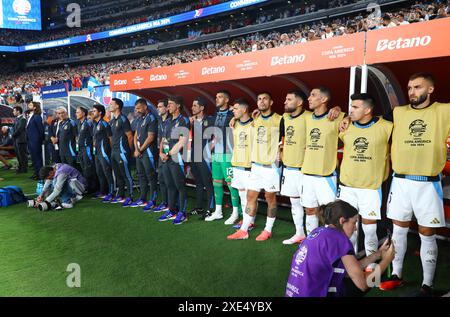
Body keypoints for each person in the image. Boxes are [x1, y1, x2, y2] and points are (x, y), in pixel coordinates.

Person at [379, 73, 450, 295]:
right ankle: (397, 275)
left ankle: (427, 284)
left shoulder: (444, 110)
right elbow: (372, 123)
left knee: (426, 233)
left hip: (428, 184)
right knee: (398, 232)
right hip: (400, 183)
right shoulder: (398, 113)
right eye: (409, 87)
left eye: (417, 87)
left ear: (430, 89)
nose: (411, 91)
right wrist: (344, 117)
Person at [285, 200, 395, 297]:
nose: (356, 227)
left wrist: (377, 254)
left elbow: (350, 269)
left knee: (349, 277)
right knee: (367, 281)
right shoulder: (339, 239)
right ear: (342, 221)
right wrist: (386, 260)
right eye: (354, 222)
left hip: (293, 293)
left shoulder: (317, 231)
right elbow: (363, 285)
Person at [338, 93, 393, 256]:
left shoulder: (387, 127)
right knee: (347, 227)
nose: (351, 110)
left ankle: (370, 265)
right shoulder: (345, 127)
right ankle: (347, 263)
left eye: (355, 107)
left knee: (369, 229)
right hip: (347, 186)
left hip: (370, 187)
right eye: (351, 106)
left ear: (368, 110)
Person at [228, 92, 282, 241]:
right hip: (255, 166)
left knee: (270, 198)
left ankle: (268, 229)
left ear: (271, 102)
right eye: (259, 99)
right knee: (250, 196)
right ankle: (244, 230)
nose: (261, 101)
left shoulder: (279, 119)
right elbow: (243, 119)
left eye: (265, 98)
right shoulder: (255, 119)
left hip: (270, 167)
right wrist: (234, 117)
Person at [301, 87, 344, 235]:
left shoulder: (337, 116)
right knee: (310, 210)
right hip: (307, 174)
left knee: (330, 214)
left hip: (326, 176)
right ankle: (312, 242)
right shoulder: (306, 117)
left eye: (313, 95)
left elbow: (354, 117)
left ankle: (329, 244)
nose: (309, 98)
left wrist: (339, 109)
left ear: (324, 99)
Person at [279, 91, 310, 245]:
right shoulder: (284, 118)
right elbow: (283, 139)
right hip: (289, 169)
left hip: (305, 170)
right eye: (286, 98)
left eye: (289, 99)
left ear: (299, 103)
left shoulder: (309, 117)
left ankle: (314, 238)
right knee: (294, 203)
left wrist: (337, 109)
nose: (285, 101)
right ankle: (299, 233)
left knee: (313, 207)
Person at [205, 90, 242, 223]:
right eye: (216, 96)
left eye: (220, 97)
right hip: (217, 154)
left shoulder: (233, 112)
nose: (217, 99)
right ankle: (218, 211)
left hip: (228, 154)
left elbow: (245, 116)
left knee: (231, 184)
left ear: (227, 100)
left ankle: (236, 212)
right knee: (217, 183)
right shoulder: (216, 113)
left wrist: (235, 116)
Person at [157, 96, 190, 225]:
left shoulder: (183, 120)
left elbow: (183, 141)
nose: (168, 106)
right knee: (170, 185)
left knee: (180, 186)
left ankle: (182, 213)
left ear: (178, 106)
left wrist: (169, 153)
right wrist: (161, 153)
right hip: (166, 158)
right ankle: (172, 210)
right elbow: (164, 139)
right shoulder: (169, 121)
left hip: (177, 158)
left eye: (171, 104)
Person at [229, 98, 255, 230]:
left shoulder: (255, 124)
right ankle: (247, 220)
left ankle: (249, 222)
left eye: (235, 108)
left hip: (249, 167)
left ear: (244, 110)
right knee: (242, 196)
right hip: (237, 166)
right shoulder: (235, 124)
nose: (233, 111)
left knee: (250, 197)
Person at [188, 97, 215, 217]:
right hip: (194, 154)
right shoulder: (192, 121)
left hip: (205, 156)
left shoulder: (210, 119)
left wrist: (210, 147)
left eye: (194, 105)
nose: (192, 107)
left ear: (202, 108)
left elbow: (219, 134)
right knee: (198, 182)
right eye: (192, 105)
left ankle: (211, 209)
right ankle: (198, 207)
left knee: (208, 182)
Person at [130, 99, 159, 210]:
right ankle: (143, 198)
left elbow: (151, 137)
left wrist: (140, 150)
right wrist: (136, 149)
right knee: (141, 175)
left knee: (151, 177)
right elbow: (136, 135)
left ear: (145, 107)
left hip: (149, 153)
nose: (136, 110)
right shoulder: (139, 119)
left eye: (138, 108)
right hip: (140, 153)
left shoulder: (151, 118)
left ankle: (153, 200)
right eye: (136, 108)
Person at [109, 98, 134, 206]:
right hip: (114, 152)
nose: (110, 105)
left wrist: (129, 150)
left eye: (111, 104)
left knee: (126, 174)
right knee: (118, 175)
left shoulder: (123, 119)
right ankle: (121, 195)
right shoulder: (112, 120)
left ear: (117, 106)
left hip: (122, 151)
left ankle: (131, 196)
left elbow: (130, 136)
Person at [91, 104, 114, 202]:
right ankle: (103, 191)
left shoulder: (104, 123)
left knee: (107, 172)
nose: (93, 112)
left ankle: (111, 192)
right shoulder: (95, 123)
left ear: (100, 112)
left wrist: (111, 151)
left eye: (94, 111)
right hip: (97, 152)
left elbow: (110, 138)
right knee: (99, 172)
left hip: (104, 152)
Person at [152, 99, 171, 213]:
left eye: (160, 106)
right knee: (161, 179)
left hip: (170, 154)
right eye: (157, 106)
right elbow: (161, 139)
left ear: (167, 108)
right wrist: (160, 152)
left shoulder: (170, 120)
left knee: (170, 181)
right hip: (161, 153)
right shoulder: (159, 120)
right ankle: (164, 202)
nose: (158, 108)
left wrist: (166, 153)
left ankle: (172, 204)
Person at [76, 106, 97, 194]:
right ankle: (87, 187)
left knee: (89, 169)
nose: (76, 114)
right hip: (81, 149)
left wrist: (93, 148)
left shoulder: (88, 122)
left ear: (83, 113)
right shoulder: (79, 123)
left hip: (87, 149)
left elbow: (94, 135)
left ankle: (94, 188)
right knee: (84, 169)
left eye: (78, 112)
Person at [26, 101, 44, 180]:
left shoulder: (37, 116)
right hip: (30, 140)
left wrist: (40, 139)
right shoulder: (30, 116)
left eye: (30, 105)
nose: (28, 106)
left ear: (34, 107)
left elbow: (41, 129)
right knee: (33, 158)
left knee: (37, 158)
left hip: (36, 140)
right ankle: (36, 173)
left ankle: (40, 174)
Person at [12, 106, 28, 173]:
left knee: (22, 155)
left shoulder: (23, 119)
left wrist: (13, 135)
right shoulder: (17, 119)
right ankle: (20, 167)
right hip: (16, 140)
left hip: (21, 140)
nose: (13, 112)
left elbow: (20, 129)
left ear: (18, 111)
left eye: (14, 110)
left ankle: (24, 169)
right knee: (18, 155)